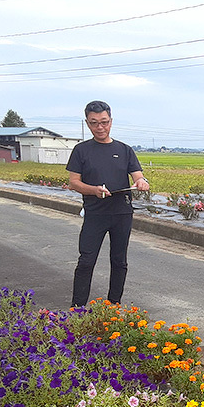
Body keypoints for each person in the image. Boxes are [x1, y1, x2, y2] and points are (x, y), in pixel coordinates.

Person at [67, 100, 149, 308]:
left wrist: (140, 182)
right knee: (86, 261)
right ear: (87, 123)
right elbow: (74, 182)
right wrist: (94, 190)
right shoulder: (81, 150)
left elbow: (138, 177)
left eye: (104, 122)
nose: (100, 127)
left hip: (121, 213)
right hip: (95, 213)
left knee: (119, 261)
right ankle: (78, 309)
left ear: (111, 121)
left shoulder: (124, 150)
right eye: (94, 123)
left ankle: (114, 306)